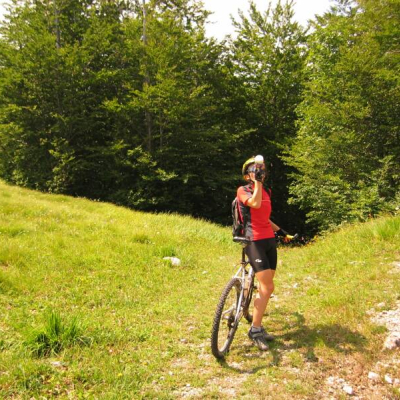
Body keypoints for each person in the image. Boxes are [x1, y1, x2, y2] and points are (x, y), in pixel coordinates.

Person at [237, 155, 292, 351]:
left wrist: (281, 232)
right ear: (247, 175)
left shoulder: (267, 191)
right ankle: (255, 330)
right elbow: (255, 204)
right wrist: (257, 184)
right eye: (255, 169)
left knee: (265, 287)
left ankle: (254, 318)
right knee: (268, 287)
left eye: (261, 169)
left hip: (269, 240)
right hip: (254, 241)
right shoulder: (243, 190)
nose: (259, 172)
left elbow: (264, 217)